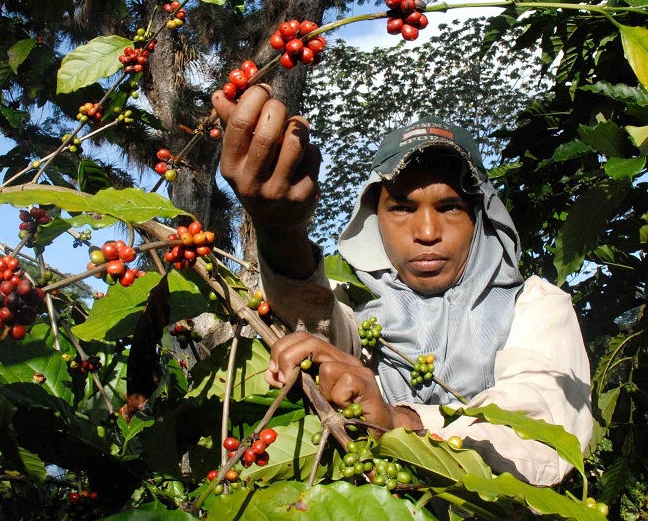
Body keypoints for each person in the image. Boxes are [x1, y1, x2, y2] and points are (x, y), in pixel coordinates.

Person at [211, 85, 593, 487]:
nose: (427, 232)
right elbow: (319, 322)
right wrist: (282, 230)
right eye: (402, 208)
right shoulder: (356, 304)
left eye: (450, 207)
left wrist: (401, 424)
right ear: (374, 219)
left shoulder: (535, 306)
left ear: (480, 218)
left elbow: (539, 430)